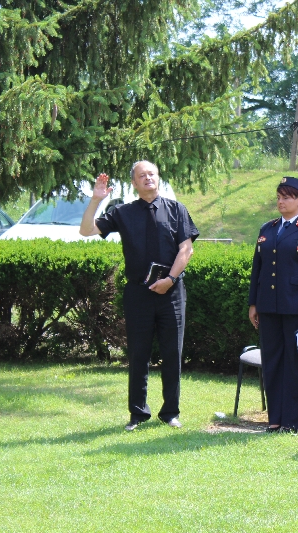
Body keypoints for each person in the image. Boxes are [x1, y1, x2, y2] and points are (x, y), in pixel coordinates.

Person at [79, 160, 199, 431]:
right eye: (141, 176)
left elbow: (186, 250)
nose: (148, 179)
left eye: (152, 174)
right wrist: (96, 200)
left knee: (172, 353)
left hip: (172, 293)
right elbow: (86, 230)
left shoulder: (177, 210)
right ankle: (137, 414)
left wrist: (170, 280)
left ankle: (170, 413)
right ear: (133, 182)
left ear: (159, 178)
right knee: (138, 354)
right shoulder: (122, 212)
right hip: (138, 293)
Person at [247, 177, 298, 433]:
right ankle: (275, 419)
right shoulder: (267, 229)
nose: (281, 202)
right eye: (279, 197)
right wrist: (253, 303)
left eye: (286, 197)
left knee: (295, 365)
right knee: (272, 362)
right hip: (269, 307)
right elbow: (257, 270)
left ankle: (292, 420)